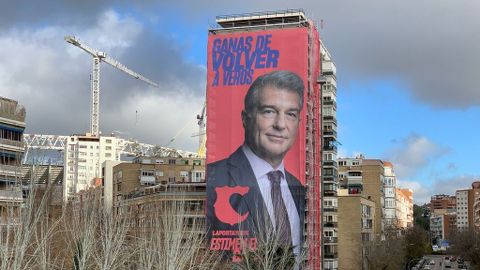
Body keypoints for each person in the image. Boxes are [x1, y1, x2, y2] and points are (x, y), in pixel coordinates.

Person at [206, 70, 305, 257]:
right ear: (245, 118)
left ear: (299, 123)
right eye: (269, 111)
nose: (280, 124)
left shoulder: (299, 188)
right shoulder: (214, 177)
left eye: (290, 114)